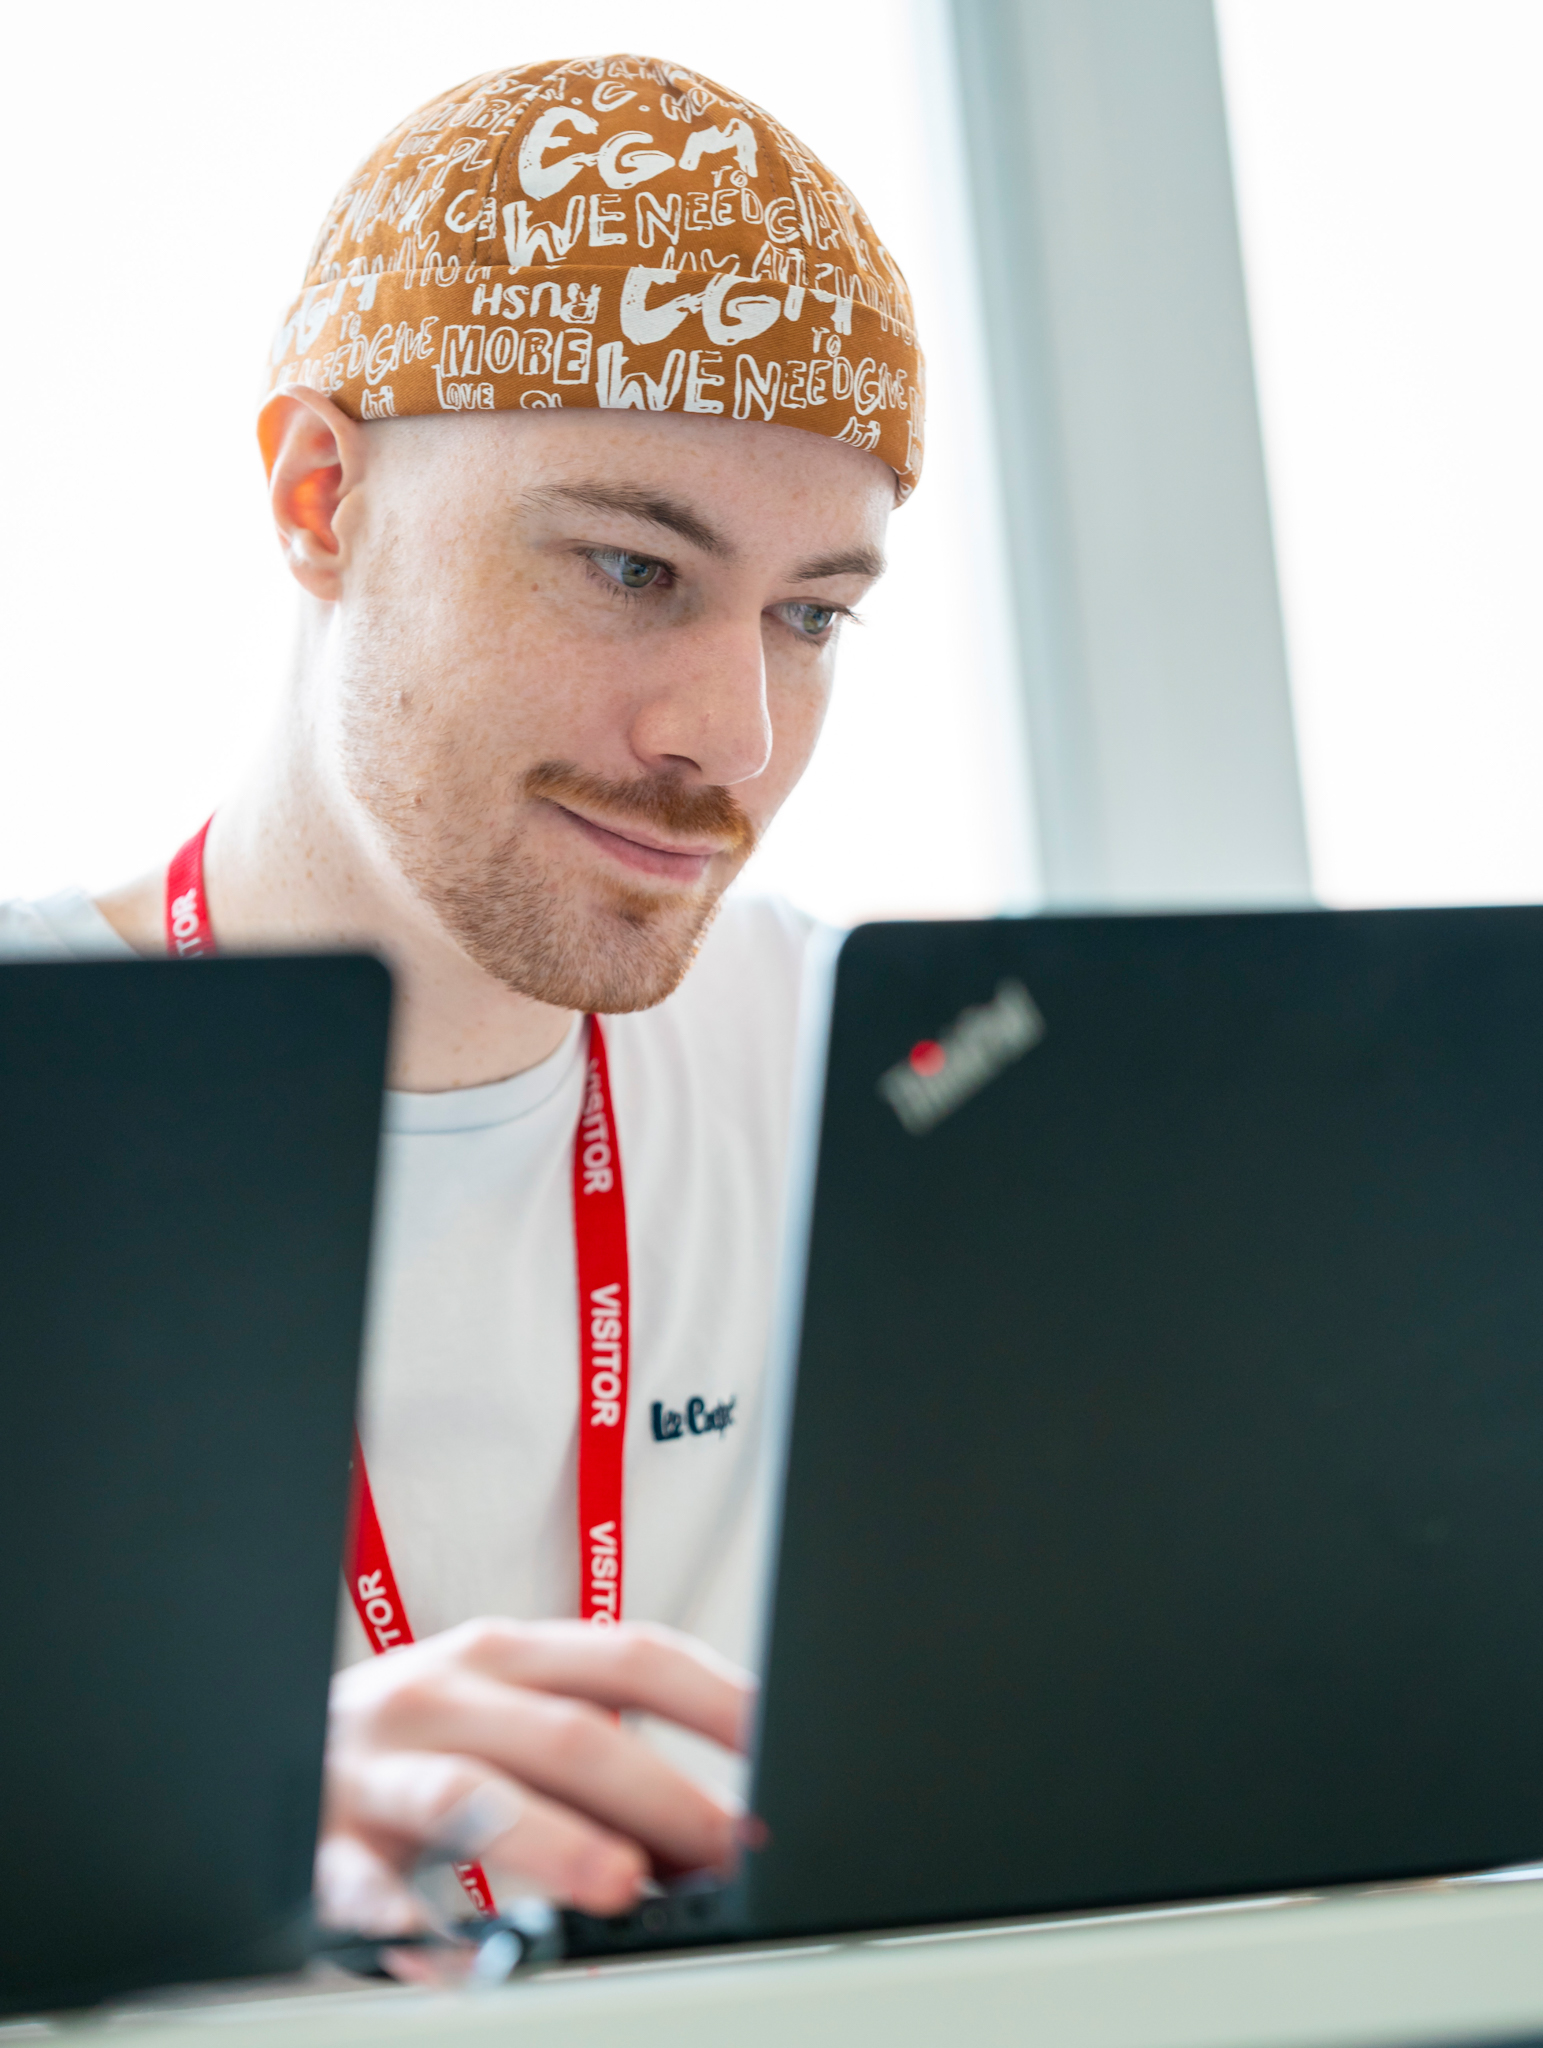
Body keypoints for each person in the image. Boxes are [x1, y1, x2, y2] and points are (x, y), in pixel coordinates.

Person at [0, 53, 924, 1932]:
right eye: (630, 565)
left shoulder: (894, 1081)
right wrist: (139, 1828)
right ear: (321, 495)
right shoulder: (40, 1090)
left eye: (810, 614)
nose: (733, 738)